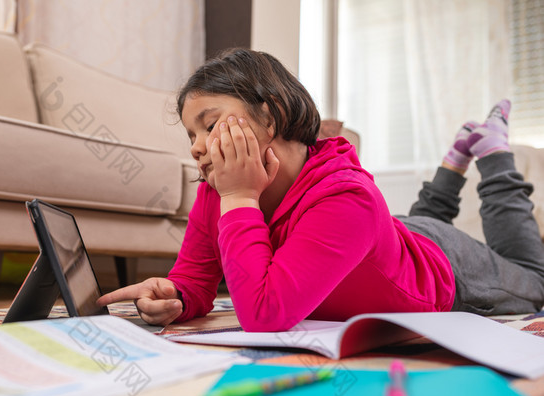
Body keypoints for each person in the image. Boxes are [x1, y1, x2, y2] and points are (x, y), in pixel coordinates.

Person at [97, 48, 544, 331]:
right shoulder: (218, 189)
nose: (196, 148)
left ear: (269, 118)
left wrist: (239, 198)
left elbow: (265, 314)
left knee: (534, 276)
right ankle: (455, 157)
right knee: (417, 218)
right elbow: (196, 279)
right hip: (384, 241)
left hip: (445, 266)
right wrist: (176, 295)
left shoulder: (345, 198)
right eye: (190, 135)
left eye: (210, 126)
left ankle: (491, 150)